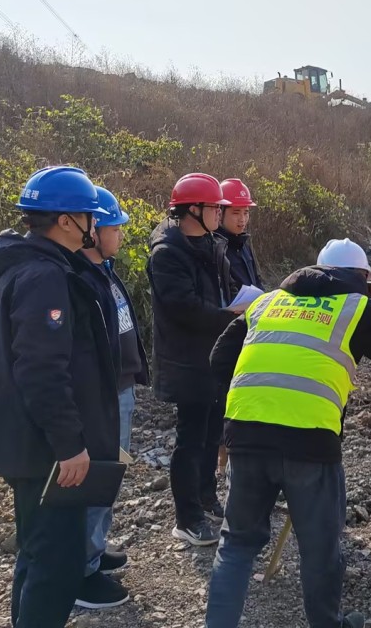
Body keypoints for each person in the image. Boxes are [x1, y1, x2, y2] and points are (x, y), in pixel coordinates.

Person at [205, 237, 371, 628]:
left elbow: (220, 358)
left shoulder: (268, 301)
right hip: (310, 441)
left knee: (237, 544)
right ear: (364, 278)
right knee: (320, 550)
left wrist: (258, 396)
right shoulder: (356, 308)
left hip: (247, 433)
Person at [0, 166, 119, 628]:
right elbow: (41, 370)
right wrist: (69, 443)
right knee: (57, 567)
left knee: (36, 554)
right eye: (90, 215)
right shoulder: (44, 277)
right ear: (68, 221)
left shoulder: (26, 268)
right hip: (46, 451)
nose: (95, 223)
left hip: (30, 445)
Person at [147, 172, 240, 546]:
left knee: (209, 433)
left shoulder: (211, 244)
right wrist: (230, 316)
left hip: (213, 355)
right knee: (189, 439)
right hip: (186, 359)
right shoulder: (168, 252)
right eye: (215, 207)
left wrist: (236, 304)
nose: (220, 212)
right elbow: (183, 307)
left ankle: (205, 496)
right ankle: (186, 518)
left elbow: (224, 290)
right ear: (193, 210)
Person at [75, 186, 149, 609]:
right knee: (98, 477)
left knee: (110, 475)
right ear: (92, 230)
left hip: (119, 390)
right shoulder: (80, 279)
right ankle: (81, 572)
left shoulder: (103, 269)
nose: (121, 233)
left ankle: (94, 549)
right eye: (115, 226)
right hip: (102, 398)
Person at [217, 178, 264, 297]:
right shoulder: (215, 248)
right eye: (236, 213)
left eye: (246, 213)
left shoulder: (244, 244)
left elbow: (256, 280)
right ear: (220, 213)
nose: (242, 219)